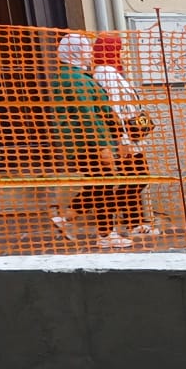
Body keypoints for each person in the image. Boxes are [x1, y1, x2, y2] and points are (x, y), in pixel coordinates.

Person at [50, 32, 129, 249]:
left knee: (97, 186)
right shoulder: (75, 80)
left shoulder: (73, 76)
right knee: (105, 186)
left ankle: (65, 216)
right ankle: (105, 234)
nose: (89, 53)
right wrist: (103, 145)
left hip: (85, 143)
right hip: (89, 144)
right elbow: (88, 115)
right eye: (84, 49)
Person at [90, 32, 159, 239]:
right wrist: (124, 139)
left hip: (129, 136)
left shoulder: (113, 71)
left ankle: (133, 222)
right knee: (138, 177)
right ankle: (120, 218)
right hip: (124, 138)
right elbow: (115, 108)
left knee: (136, 177)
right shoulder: (105, 73)